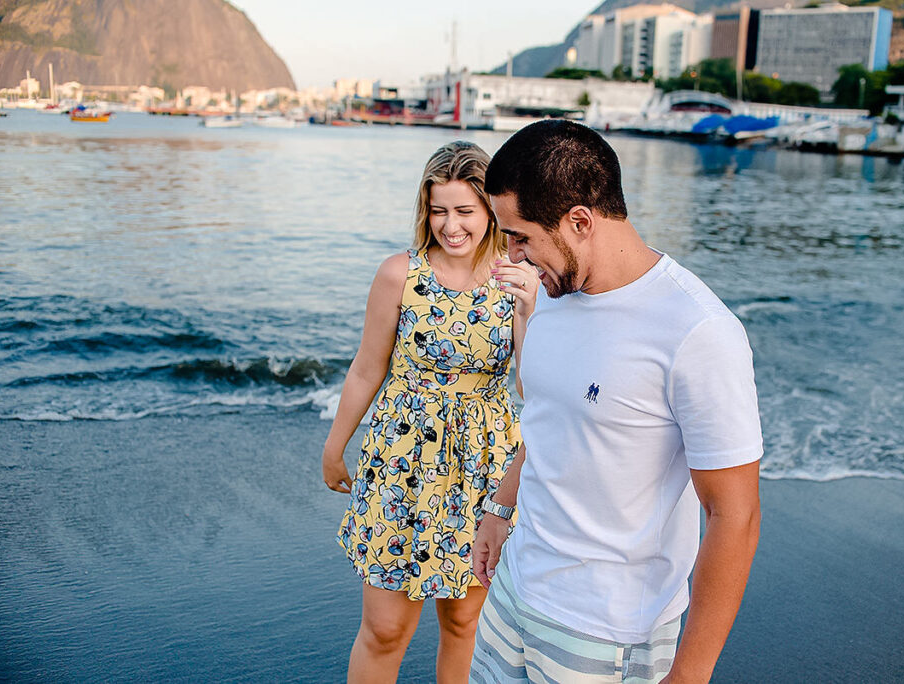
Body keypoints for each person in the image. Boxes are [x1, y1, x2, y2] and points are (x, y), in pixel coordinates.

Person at [470, 121, 763, 684]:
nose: (514, 254)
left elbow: (735, 516)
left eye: (521, 236)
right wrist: (499, 508)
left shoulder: (696, 331)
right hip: (512, 592)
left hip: (605, 635)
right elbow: (549, 420)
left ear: (580, 221)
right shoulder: (556, 292)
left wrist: (690, 675)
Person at [322, 141, 539, 683]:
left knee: (466, 623)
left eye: (464, 210)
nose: (451, 225)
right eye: (438, 210)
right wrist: (334, 445)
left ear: (490, 209)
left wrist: (533, 309)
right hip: (402, 462)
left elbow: (534, 387)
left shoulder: (517, 280)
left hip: (482, 466)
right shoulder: (400, 274)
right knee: (386, 628)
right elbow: (367, 369)